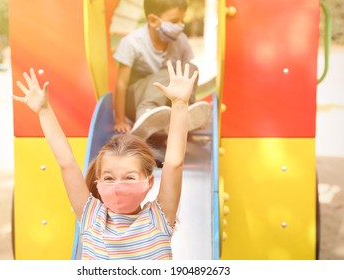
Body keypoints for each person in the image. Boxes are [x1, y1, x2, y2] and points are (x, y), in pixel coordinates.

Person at [13, 60, 198, 260]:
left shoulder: (159, 219)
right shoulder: (92, 217)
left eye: (129, 177)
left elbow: (174, 163)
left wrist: (180, 104)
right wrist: (44, 111)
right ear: (98, 183)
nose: (118, 186)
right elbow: (66, 162)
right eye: (109, 178)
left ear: (149, 182)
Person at [113, 0, 211, 140]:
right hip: (136, 102)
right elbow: (121, 83)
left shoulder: (180, 40)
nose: (180, 25)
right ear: (153, 20)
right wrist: (120, 120)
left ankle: (186, 111)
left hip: (167, 102)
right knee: (170, 71)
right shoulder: (133, 42)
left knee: (190, 69)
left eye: (182, 20)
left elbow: (187, 76)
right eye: (174, 21)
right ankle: (146, 113)